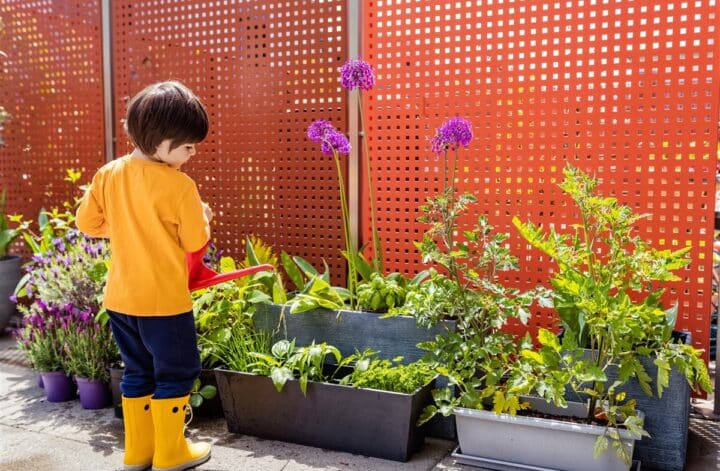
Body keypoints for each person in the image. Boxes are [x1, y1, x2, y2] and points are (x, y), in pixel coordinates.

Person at [76, 80, 212, 471]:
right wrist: (203, 216)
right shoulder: (180, 186)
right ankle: (171, 453)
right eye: (187, 146)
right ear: (161, 141)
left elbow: (87, 222)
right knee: (177, 372)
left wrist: (123, 228)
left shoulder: (108, 173)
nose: (192, 153)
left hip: (121, 300)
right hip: (164, 303)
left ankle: (138, 453)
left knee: (137, 371)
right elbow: (193, 240)